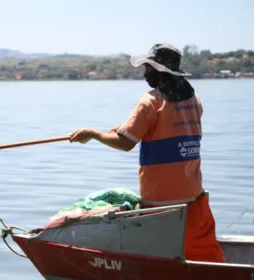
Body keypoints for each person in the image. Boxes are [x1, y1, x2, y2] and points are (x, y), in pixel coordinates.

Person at [69, 43, 225, 263]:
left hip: (160, 202)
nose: (144, 74)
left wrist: (93, 134)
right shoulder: (194, 99)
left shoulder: (150, 101)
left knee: (160, 256)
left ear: (159, 70)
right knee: (203, 255)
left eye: (148, 68)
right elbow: (163, 128)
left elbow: (125, 143)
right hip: (193, 196)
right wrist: (124, 130)